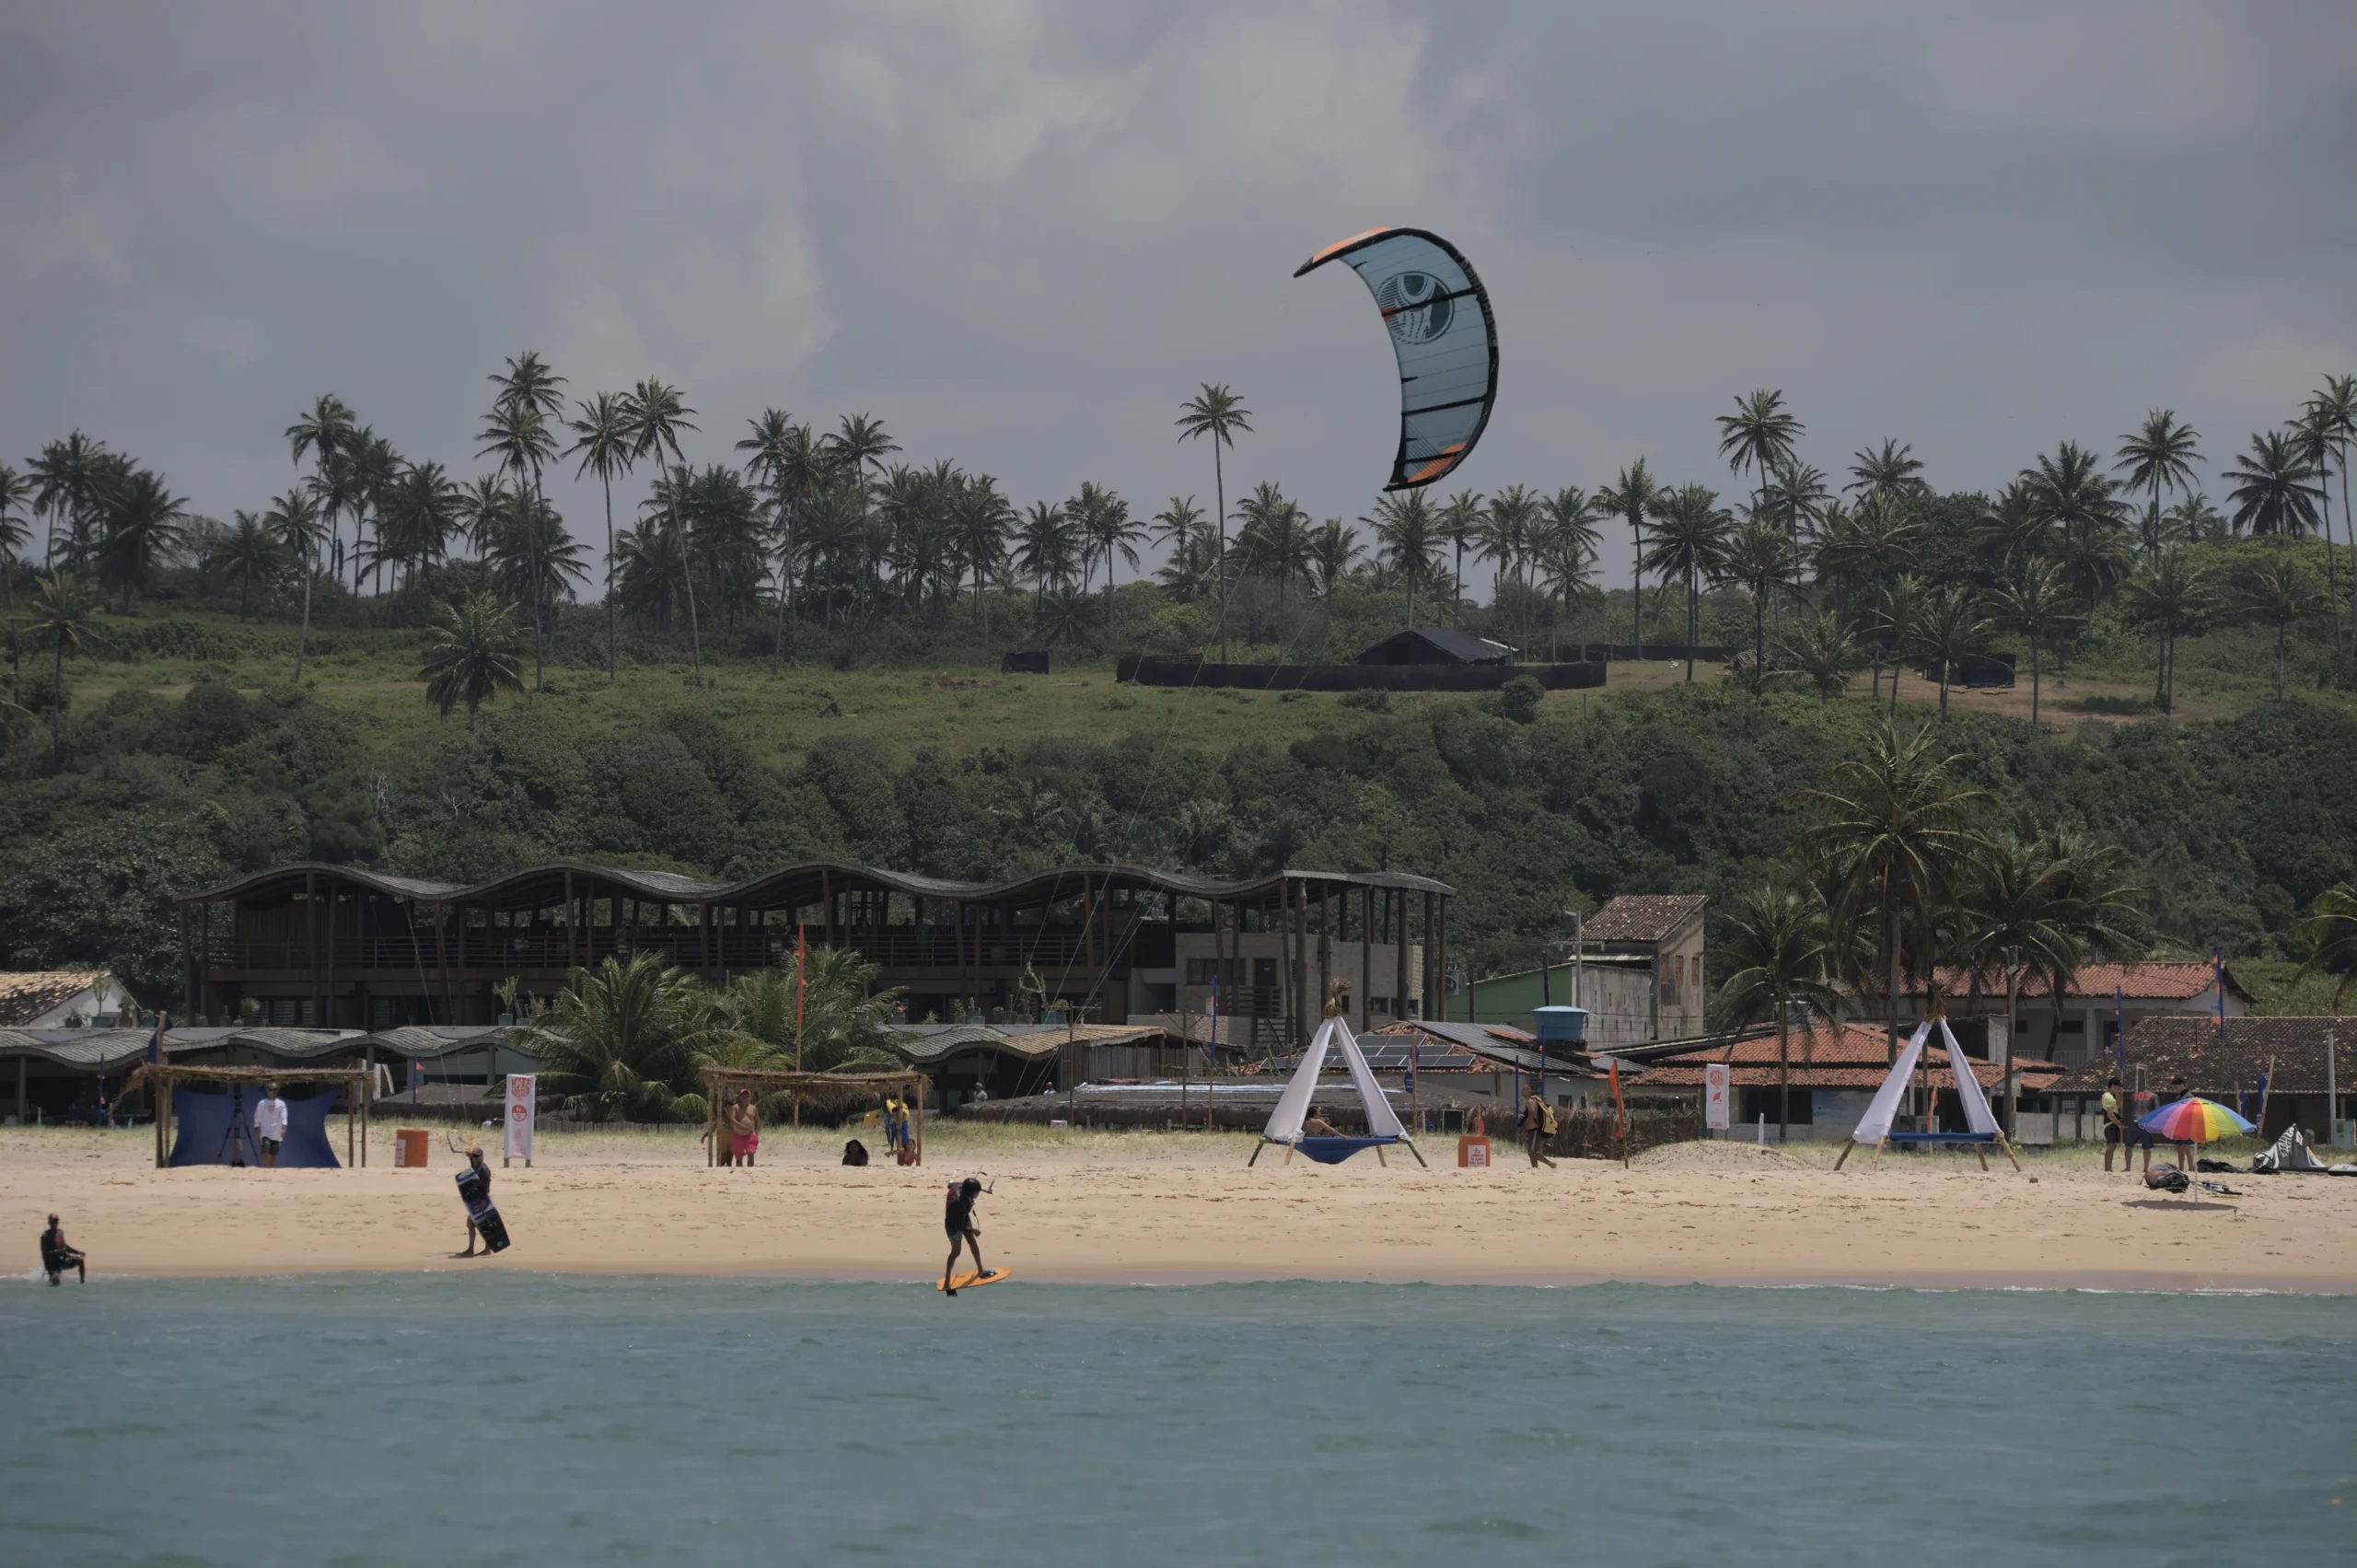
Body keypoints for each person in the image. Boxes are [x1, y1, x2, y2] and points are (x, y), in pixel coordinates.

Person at [456, 1145, 509, 1256]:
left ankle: (478, 1250)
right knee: (472, 1224)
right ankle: (478, 1249)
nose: (475, 1158)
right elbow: (472, 1171)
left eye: (477, 1156)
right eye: (474, 1156)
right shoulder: (475, 1166)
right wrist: (469, 1156)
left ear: (482, 1157)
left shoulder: (484, 1170)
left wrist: (483, 1202)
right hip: (475, 1200)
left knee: (481, 1224)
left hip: (483, 1201)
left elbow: (486, 1187)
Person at [941, 1176, 986, 1295]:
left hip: (962, 1216)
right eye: (976, 1193)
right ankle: (947, 1281)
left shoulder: (959, 1186)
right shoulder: (963, 1204)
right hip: (952, 1225)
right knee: (956, 1252)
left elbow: (951, 1184)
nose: (977, 1195)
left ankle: (981, 1269)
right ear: (970, 1192)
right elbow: (960, 1227)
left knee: (972, 1242)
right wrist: (974, 1230)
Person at [41, 1213, 87, 1284]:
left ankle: (82, 1282)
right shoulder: (45, 1236)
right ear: (49, 1223)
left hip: (62, 1260)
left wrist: (78, 1252)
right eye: (53, 1221)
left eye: (56, 1221)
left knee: (80, 1260)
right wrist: (56, 1252)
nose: (55, 1223)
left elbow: (65, 1246)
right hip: (52, 1264)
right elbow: (45, 1254)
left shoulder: (60, 1232)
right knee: (56, 1283)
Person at [254, 1082, 290, 1169]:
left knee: (273, 1154)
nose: (273, 1092)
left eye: (275, 1090)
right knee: (266, 1148)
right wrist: (256, 1131)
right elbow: (257, 1117)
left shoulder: (281, 1104)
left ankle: (272, 1171)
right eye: (271, 1090)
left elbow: (284, 1116)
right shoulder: (262, 1103)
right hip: (265, 1132)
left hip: (276, 1133)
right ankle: (267, 1169)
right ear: (267, 1091)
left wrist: (284, 1128)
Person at [1520, 1086, 1558, 1168]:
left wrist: (1525, 1126)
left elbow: (1532, 1114)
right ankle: (1535, 1168)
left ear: (1531, 1091)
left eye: (1525, 1089)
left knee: (1532, 1152)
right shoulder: (1532, 1101)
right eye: (1522, 1088)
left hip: (1534, 1130)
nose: (1522, 1090)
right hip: (1533, 1130)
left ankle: (1551, 1164)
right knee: (1531, 1152)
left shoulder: (1530, 1101)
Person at [726, 1088, 761, 1168]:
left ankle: (750, 1170)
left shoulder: (753, 1108)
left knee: (751, 1154)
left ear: (749, 1098)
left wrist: (757, 1132)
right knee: (739, 1157)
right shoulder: (735, 1107)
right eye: (743, 1096)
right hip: (737, 1136)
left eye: (747, 1096)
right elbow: (732, 1119)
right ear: (740, 1097)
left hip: (750, 1136)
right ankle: (740, 1174)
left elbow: (757, 1120)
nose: (745, 1098)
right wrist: (741, 1126)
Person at [2101, 1077, 2125, 1173]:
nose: (2119, 1089)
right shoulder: (2107, 1097)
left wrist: (2118, 1094)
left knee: (2113, 1145)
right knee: (2111, 1146)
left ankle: (2109, 1169)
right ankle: (2107, 1169)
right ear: (2113, 1085)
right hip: (2110, 1124)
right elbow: (2110, 1115)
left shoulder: (2112, 1097)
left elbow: (2119, 1105)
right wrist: (2119, 1124)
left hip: (2113, 1124)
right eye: (2118, 1087)